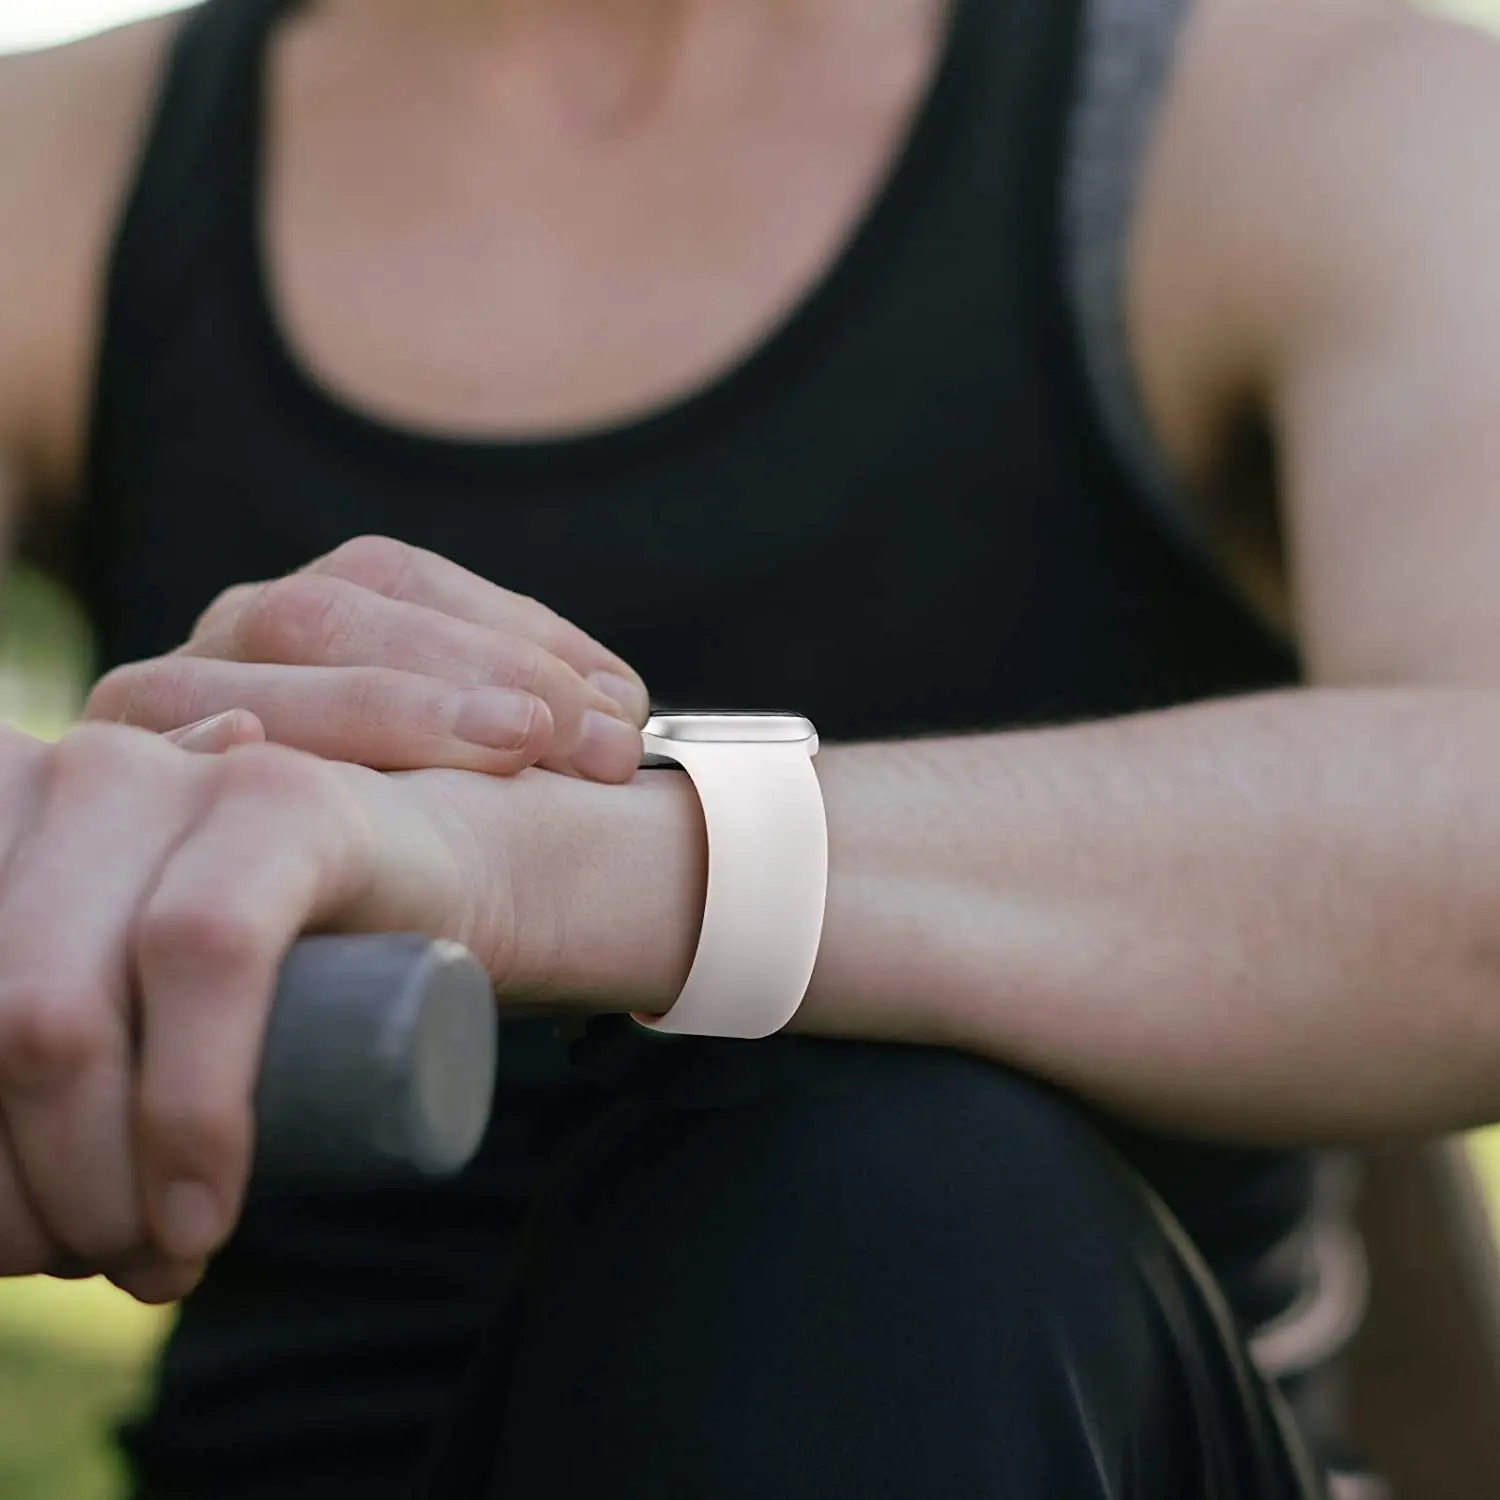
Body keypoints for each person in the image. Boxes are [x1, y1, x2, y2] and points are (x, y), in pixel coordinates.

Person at [1, 0, 1498, 1492]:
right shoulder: (59, 161)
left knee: (889, 1183)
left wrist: (559, 869)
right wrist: (96, 848)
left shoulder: (1329, 108)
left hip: (1034, 1416)